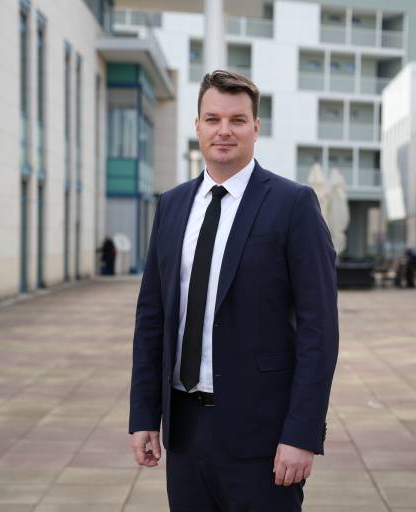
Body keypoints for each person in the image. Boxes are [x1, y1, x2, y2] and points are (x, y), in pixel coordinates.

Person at [128, 70, 339, 511]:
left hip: (263, 438)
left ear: (255, 127)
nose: (224, 130)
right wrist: (145, 414)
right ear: (198, 126)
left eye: (237, 120)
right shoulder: (172, 205)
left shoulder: (293, 205)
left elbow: (319, 331)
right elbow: (152, 318)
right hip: (184, 434)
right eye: (213, 119)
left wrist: (301, 434)